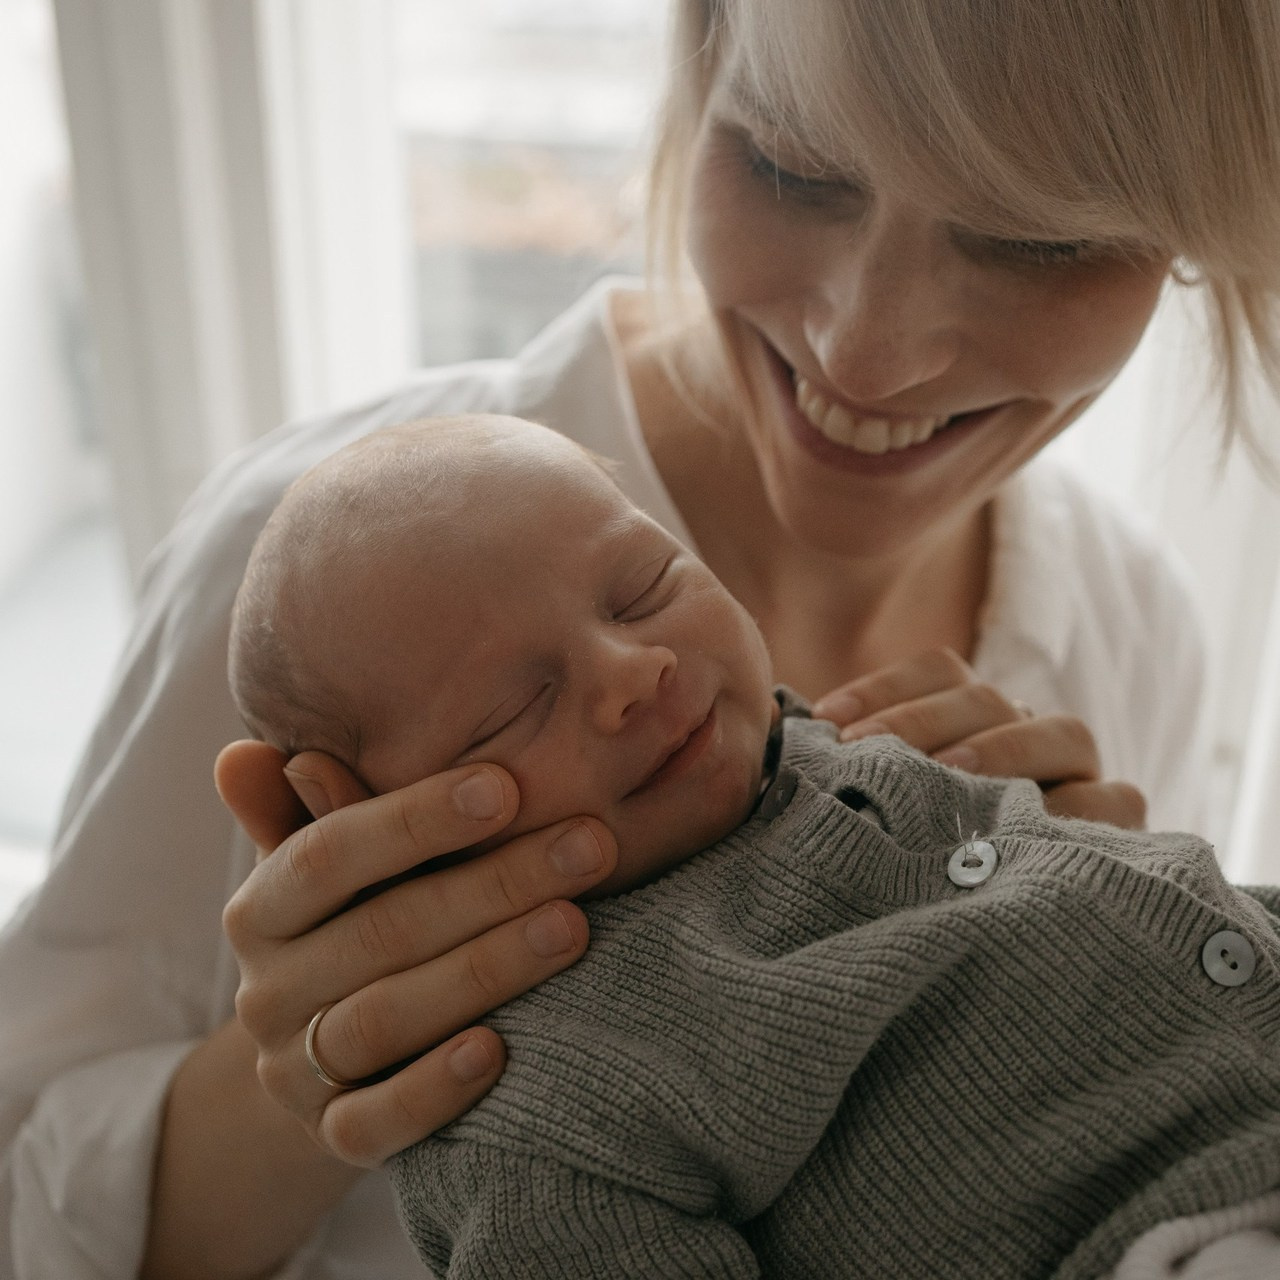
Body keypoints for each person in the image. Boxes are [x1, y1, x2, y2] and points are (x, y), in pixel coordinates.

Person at [3, 0, 1279, 1276]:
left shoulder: (1128, 624)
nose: (866, 352)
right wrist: (308, 1079)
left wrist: (1092, 958)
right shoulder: (305, 591)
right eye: (791, 166)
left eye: (1031, 239)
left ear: (1197, 227)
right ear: (698, 65)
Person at [228, 414, 1280, 1280]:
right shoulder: (548, 1106)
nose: (633, 666)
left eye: (644, 585)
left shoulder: (817, 746)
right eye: (511, 711)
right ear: (366, 818)